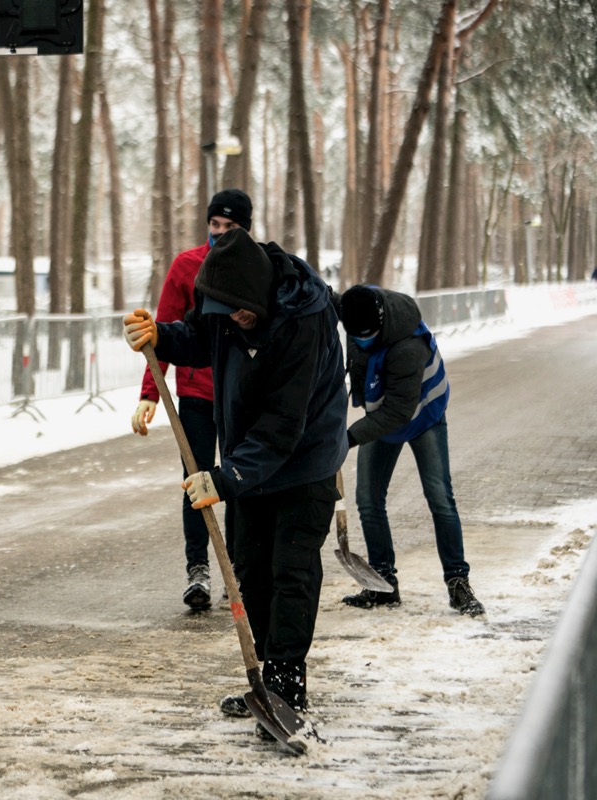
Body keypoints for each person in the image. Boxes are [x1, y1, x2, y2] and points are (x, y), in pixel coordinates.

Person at [123, 227, 348, 722]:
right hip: (251, 455)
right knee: (249, 566)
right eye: (227, 314)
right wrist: (163, 336)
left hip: (305, 458)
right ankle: (267, 677)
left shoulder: (304, 320)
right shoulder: (228, 303)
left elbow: (283, 424)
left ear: (259, 293)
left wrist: (224, 478)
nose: (236, 322)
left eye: (242, 313)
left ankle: (288, 683)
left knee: (291, 569)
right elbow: (205, 338)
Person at [130, 189, 252, 610]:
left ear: (245, 230)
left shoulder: (257, 270)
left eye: (230, 227)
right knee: (196, 482)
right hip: (198, 397)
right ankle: (197, 570)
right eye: (214, 225)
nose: (219, 233)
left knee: (238, 483)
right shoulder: (186, 266)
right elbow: (160, 335)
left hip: (241, 398)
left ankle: (236, 568)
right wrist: (150, 394)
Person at [335, 285, 485, 616]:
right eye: (356, 335)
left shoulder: (407, 346)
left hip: (423, 415)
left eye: (369, 334)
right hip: (383, 414)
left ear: (381, 322)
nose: (362, 340)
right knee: (369, 500)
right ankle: (384, 582)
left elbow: (398, 413)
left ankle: (458, 582)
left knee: (440, 499)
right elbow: (325, 301)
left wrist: (345, 439)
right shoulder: (355, 310)